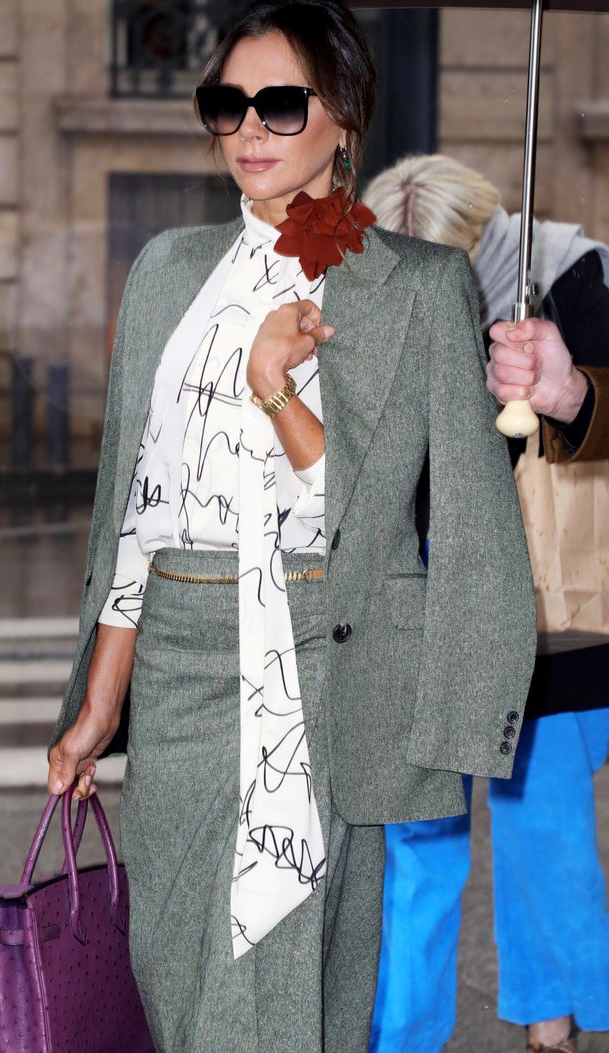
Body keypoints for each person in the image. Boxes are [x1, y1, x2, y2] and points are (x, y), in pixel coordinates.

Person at [46, 9, 536, 1051]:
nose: (248, 130)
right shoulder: (170, 270)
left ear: (344, 117)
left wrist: (276, 393)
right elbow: (140, 504)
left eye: (278, 104)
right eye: (227, 105)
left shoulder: (412, 285)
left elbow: (425, 514)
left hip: (314, 659)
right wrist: (100, 702)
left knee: (269, 996)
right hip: (173, 672)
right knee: (176, 979)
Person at [364, 153, 609, 1053]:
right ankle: (398, 1037)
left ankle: (554, 1026)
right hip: (423, 586)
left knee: (540, 817)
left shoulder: (570, 276)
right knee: (414, 826)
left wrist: (567, 389)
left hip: (543, 601)